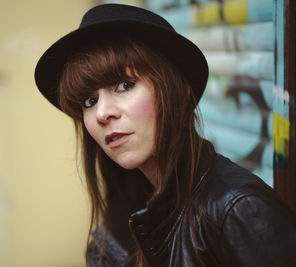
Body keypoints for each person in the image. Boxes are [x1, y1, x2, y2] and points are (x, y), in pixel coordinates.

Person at [34, 4, 296, 267]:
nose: (102, 113)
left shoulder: (240, 211)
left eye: (125, 85)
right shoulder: (115, 229)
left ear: (178, 89)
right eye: (89, 101)